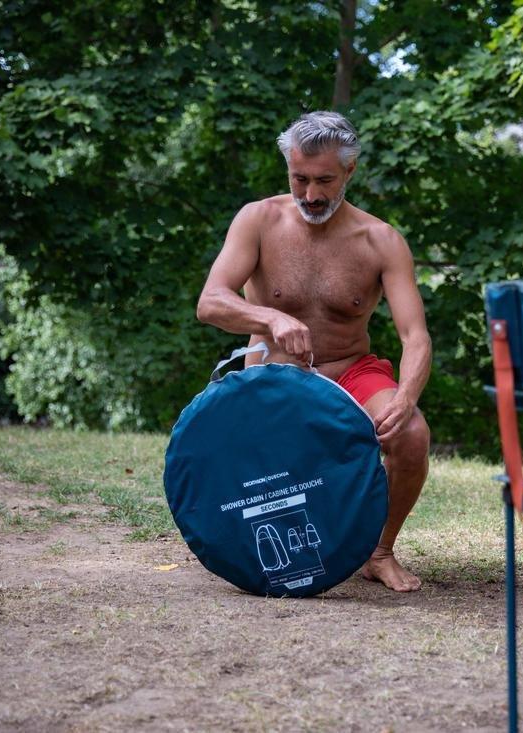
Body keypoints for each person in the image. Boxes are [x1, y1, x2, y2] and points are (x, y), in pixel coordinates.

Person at [196, 111, 431, 592]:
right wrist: (271, 318)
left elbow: (416, 337)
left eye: (324, 180)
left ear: (350, 170)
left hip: (351, 370)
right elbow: (211, 302)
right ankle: (261, 543)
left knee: (410, 434)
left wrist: (406, 397)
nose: (310, 194)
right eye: (299, 178)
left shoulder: (381, 241)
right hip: (278, 372)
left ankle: (379, 552)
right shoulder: (258, 219)